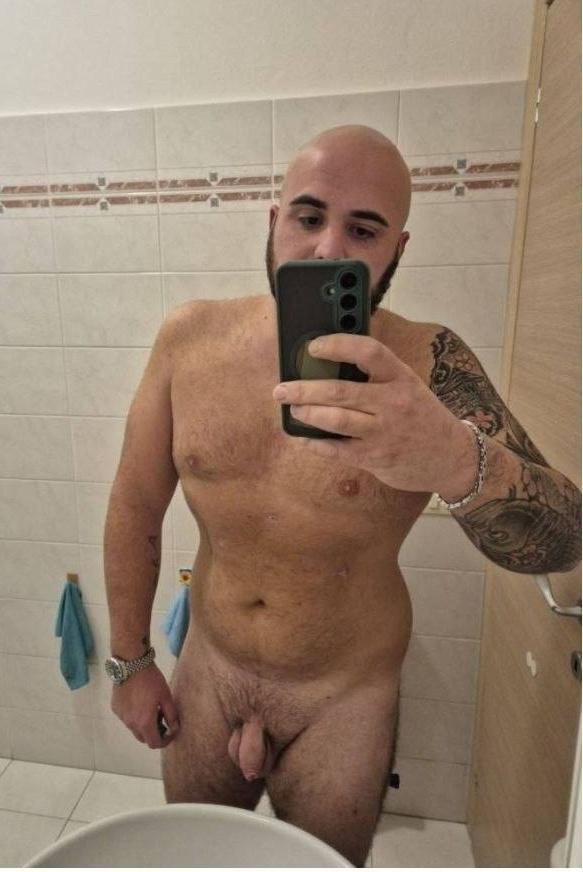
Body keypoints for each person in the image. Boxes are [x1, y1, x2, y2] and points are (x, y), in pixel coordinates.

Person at [103, 125, 581, 866]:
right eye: (308, 216)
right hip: (210, 670)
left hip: (342, 699)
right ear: (274, 221)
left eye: (363, 229)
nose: (328, 248)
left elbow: (564, 540)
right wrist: (130, 663)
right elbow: (136, 503)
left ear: (397, 249)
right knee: (197, 861)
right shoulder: (187, 341)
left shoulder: (429, 365)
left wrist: (451, 457)